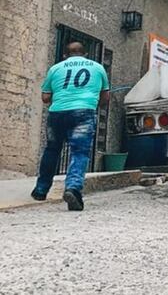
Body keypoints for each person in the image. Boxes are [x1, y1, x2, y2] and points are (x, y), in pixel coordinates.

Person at [32, 42, 110, 211]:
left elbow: (45, 97)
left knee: (52, 149)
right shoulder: (98, 68)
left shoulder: (55, 69)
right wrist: (93, 104)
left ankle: (40, 190)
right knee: (80, 152)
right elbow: (105, 97)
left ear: (65, 55)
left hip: (57, 113)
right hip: (84, 112)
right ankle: (73, 188)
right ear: (86, 54)